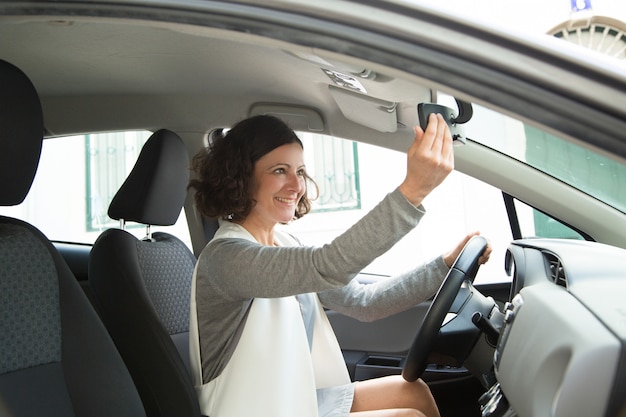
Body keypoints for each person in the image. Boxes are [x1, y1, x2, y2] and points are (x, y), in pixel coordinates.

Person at [188, 114, 491, 417]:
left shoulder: (284, 241)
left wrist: (445, 266)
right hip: (252, 410)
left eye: (301, 171)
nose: (297, 185)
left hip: (293, 401)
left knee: (412, 391)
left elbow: (365, 303)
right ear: (241, 178)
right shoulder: (226, 258)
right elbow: (328, 264)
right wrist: (413, 191)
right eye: (280, 170)